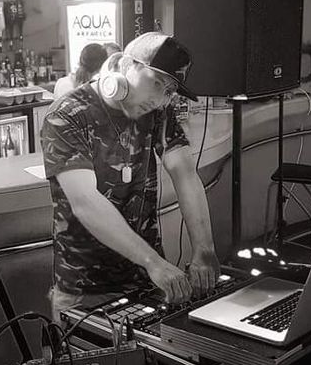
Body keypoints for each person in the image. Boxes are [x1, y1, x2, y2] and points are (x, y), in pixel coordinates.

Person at [41, 32, 219, 320]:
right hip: (84, 290)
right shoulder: (68, 114)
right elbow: (85, 202)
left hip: (146, 282)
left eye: (169, 91)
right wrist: (153, 262)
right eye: (157, 83)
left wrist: (204, 249)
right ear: (124, 66)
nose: (160, 100)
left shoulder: (158, 112)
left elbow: (184, 173)